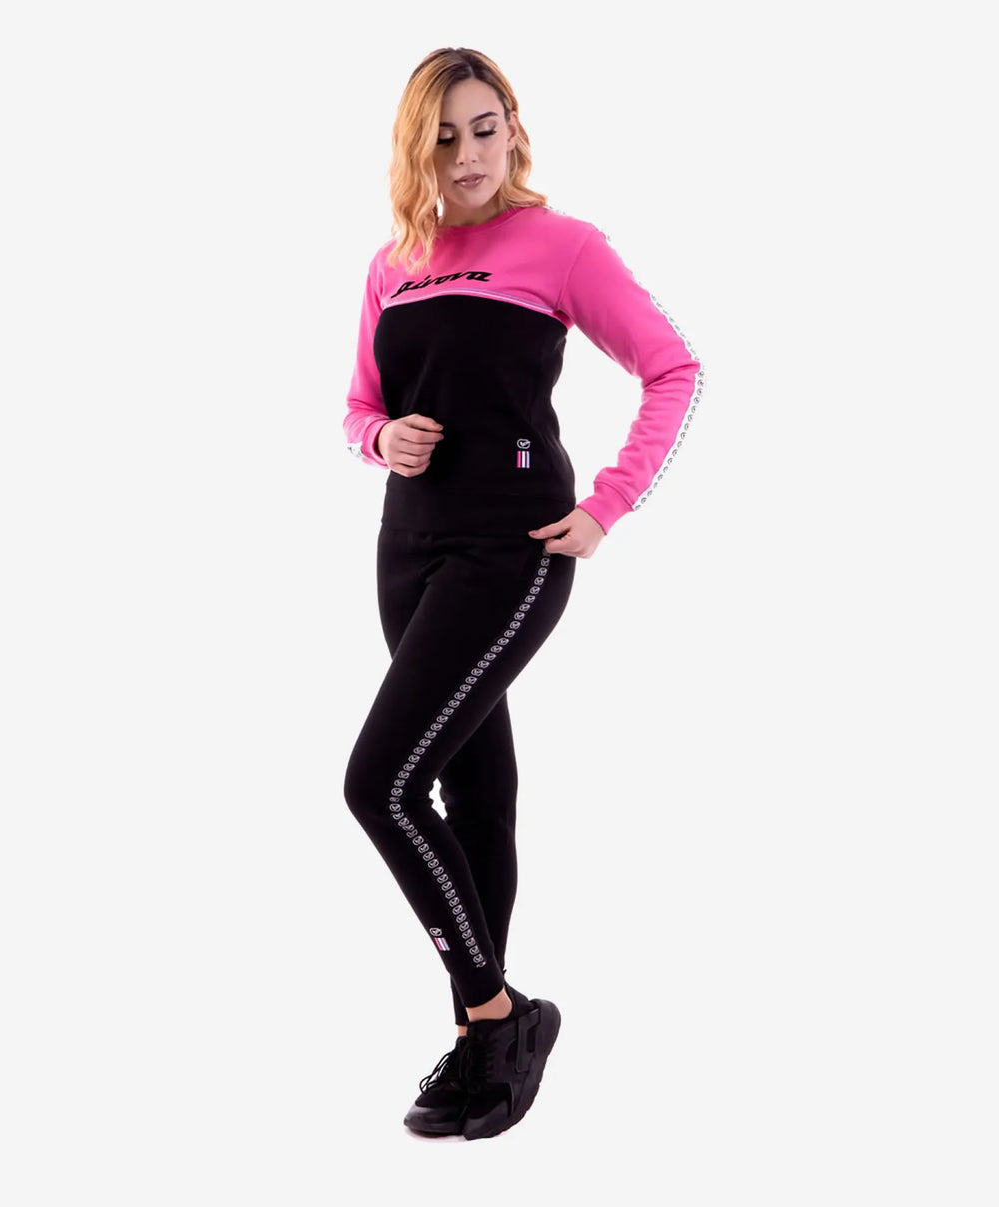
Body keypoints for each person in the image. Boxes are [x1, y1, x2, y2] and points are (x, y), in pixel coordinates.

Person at [342, 46, 704, 1141]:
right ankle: (479, 1044)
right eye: (444, 136)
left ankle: (502, 1015)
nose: (467, 155)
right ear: (417, 147)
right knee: (472, 791)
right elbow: (358, 404)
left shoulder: (562, 245)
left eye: (484, 128)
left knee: (380, 786)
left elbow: (675, 368)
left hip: (512, 551)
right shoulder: (393, 262)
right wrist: (381, 439)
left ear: (513, 127)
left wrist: (609, 504)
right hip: (407, 551)